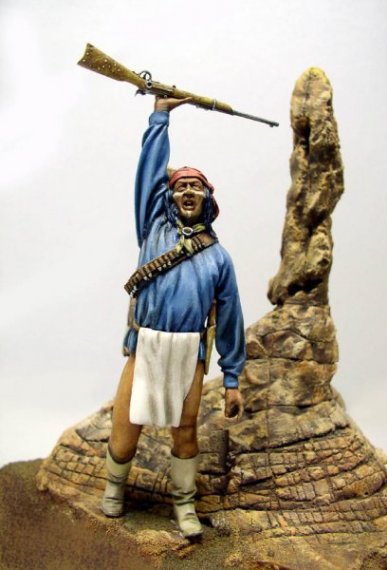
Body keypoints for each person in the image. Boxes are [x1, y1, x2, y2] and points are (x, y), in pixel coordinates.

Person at [101, 96, 246, 538]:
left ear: (207, 199)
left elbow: (230, 319)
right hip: (145, 344)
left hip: (189, 353)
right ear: (169, 196)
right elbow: (148, 174)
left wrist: (233, 378)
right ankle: (114, 487)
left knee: (185, 432)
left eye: (196, 187)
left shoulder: (219, 258)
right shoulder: (154, 229)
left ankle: (184, 503)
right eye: (181, 187)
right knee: (125, 426)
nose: (187, 192)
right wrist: (159, 117)